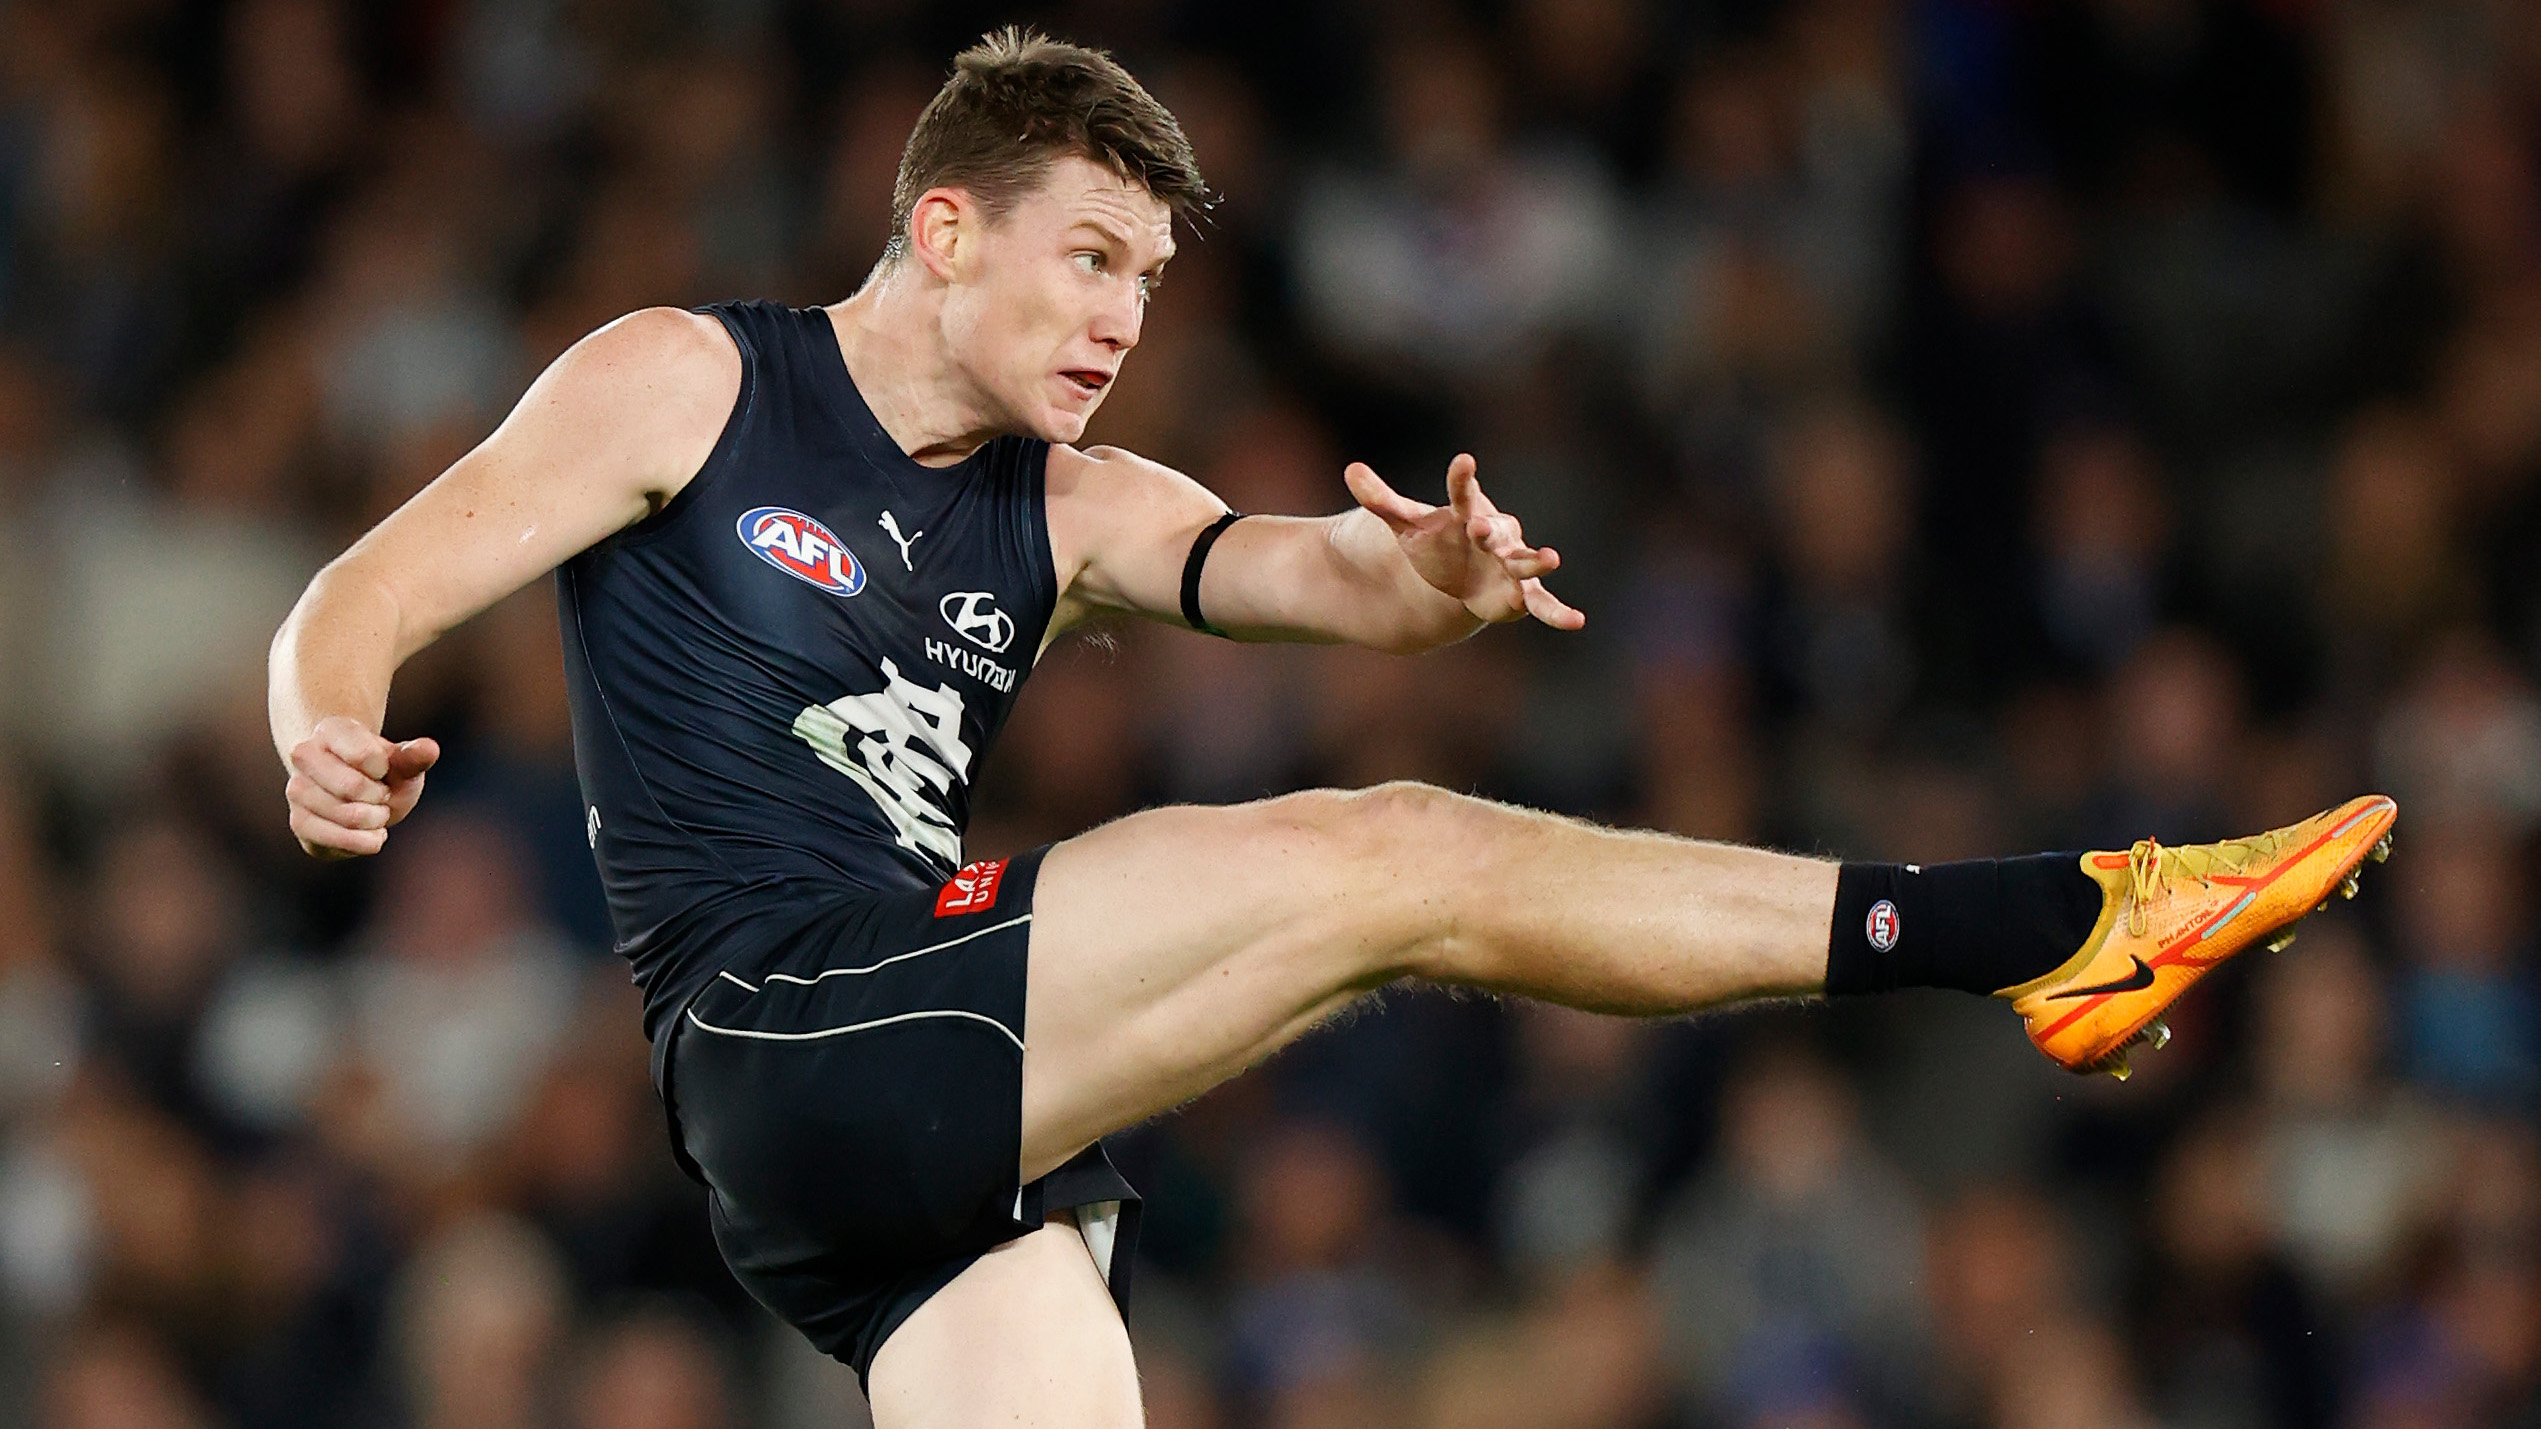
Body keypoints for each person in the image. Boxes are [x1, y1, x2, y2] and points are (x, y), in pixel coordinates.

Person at [267, 29, 2397, 1426]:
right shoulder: (689, 382)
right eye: (1086, 256)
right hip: (788, 1030)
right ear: (939, 228)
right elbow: (358, 590)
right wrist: (325, 724)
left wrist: (1428, 585)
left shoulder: (1074, 508)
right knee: (1394, 860)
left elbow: (1291, 569)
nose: (1119, 317)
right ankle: (2048, 925)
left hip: (921, 1150)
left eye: (1150, 284)